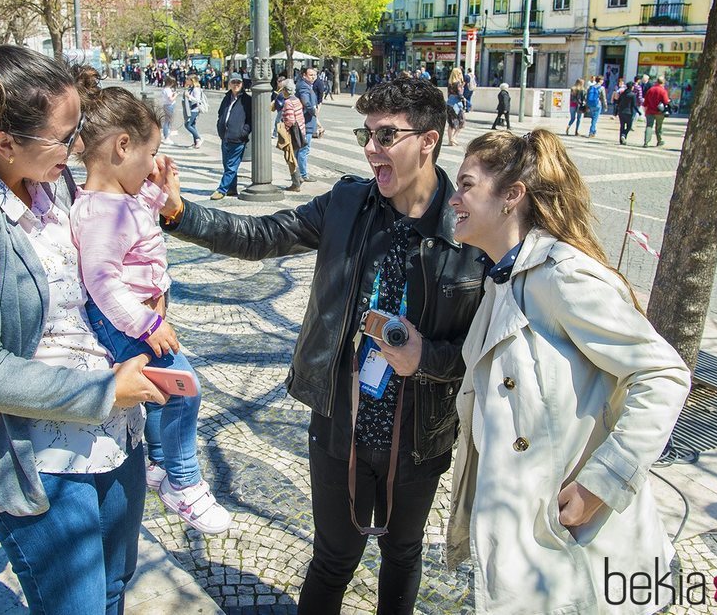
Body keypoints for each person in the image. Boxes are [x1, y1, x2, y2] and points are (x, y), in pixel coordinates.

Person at [157, 77, 485, 615]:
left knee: (402, 555)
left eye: (385, 136)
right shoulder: (347, 205)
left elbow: (479, 354)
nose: (370, 148)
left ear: (428, 141)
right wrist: (179, 213)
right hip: (341, 424)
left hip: (420, 434)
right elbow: (261, 236)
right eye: (366, 134)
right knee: (333, 559)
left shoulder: (467, 228)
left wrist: (425, 358)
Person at [0, 1, 170, 615]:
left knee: (113, 587)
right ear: (2, 142)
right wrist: (102, 390)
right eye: (64, 137)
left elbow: (109, 255)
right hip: (33, 453)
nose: (77, 150)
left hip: (114, 432)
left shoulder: (55, 180)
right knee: (75, 605)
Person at [445, 127, 690, 614]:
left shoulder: (561, 274)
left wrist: (601, 485)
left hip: (577, 547)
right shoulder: (502, 279)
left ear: (511, 196)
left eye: (466, 185)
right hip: (528, 539)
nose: (454, 199)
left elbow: (663, 374)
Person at [70, 67, 233, 535]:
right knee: (185, 392)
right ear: (123, 147)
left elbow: (143, 212)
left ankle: (159, 465)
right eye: (151, 152)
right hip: (127, 325)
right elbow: (101, 281)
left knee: (164, 395)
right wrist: (146, 324)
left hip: (135, 321)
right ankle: (184, 483)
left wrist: (166, 191)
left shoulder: (114, 198)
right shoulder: (104, 212)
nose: (153, 162)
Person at [211, 73, 251, 200]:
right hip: (225, 137)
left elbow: (250, 120)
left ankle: (221, 190)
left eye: (238, 82)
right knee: (227, 165)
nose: (236, 85)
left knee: (231, 166)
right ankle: (232, 189)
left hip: (238, 138)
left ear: (242, 84)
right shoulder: (227, 97)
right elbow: (221, 113)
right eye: (233, 82)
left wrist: (243, 132)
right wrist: (220, 127)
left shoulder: (246, 100)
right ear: (229, 84)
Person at [278, 78, 305, 191]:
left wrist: (284, 130)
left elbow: (290, 120)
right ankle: (298, 178)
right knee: (294, 157)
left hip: (292, 134)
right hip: (301, 131)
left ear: (285, 90)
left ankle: (296, 182)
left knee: (290, 158)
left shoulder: (288, 102)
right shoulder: (297, 100)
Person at [296, 66, 319, 182]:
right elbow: (306, 102)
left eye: (315, 75)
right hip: (306, 123)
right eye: (311, 75)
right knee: (304, 149)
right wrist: (313, 111)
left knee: (300, 149)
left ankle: (298, 173)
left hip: (306, 122)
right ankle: (303, 174)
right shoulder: (304, 87)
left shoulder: (306, 85)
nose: (313, 77)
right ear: (304, 75)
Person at [642, 76, 671, 147]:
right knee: (659, 127)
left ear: (657, 82)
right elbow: (666, 101)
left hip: (649, 111)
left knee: (649, 126)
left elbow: (645, 103)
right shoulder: (663, 91)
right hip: (659, 112)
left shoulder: (650, 90)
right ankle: (659, 140)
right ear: (663, 82)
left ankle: (646, 142)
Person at [182, 74, 204, 149]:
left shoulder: (196, 89)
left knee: (188, 125)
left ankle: (199, 138)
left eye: (187, 79)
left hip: (195, 109)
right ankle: (196, 142)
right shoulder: (191, 88)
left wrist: (189, 96)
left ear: (192, 80)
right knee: (192, 125)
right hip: (191, 109)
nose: (186, 80)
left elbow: (198, 100)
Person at [616, 79, 638, 145]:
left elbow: (618, 102)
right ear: (632, 87)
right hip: (629, 112)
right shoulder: (633, 95)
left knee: (622, 126)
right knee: (629, 126)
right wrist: (638, 112)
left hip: (621, 112)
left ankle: (621, 140)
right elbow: (634, 105)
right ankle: (624, 135)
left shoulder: (623, 93)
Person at [445, 78, 466, 146]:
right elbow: (461, 97)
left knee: (451, 124)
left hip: (449, 107)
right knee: (461, 123)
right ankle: (453, 138)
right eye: (461, 86)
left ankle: (450, 141)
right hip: (456, 108)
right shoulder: (459, 92)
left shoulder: (450, 91)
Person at [160, 76, 178, 145]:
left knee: (167, 121)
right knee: (167, 121)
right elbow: (170, 99)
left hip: (167, 105)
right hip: (169, 105)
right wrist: (176, 95)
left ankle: (166, 135)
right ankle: (166, 137)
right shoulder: (167, 89)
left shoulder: (165, 89)